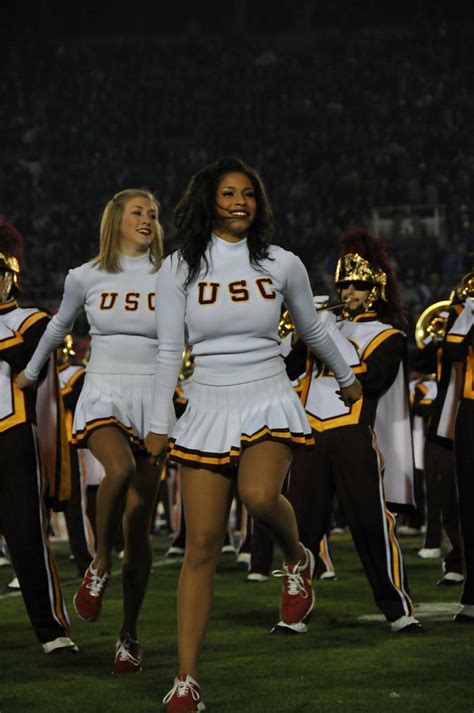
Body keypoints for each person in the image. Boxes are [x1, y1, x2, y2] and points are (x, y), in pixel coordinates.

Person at [145, 157, 361, 712]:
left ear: (258, 202)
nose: (239, 201)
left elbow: (311, 326)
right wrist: (157, 423)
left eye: (248, 193)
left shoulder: (282, 262)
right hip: (207, 401)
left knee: (260, 495)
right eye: (227, 194)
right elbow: (170, 350)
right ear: (208, 202)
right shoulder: (176, 269)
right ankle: (187, 679)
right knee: (201, 544)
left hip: (268, 392)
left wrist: (346, 375)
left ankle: (296, 558)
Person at [16, 188, 172, 673]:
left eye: (152, 213)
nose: (146, 218)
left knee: (140, 525)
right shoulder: (84, 275)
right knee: (118, 469)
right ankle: (100, 562)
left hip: (154, 393)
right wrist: (30, 374)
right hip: (104, 386)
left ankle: (129, 634)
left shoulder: (173, 275)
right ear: (116, 221)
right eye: (136, 212)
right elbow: (58, 327)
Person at [283, 226, 422, 634]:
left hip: (352, 435)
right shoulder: (321, 327)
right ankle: (293, 612)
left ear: (375, 288)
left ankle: (398, 609)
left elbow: (366, 381)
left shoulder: (388, 337)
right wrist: (295, 333)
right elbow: (286, 370)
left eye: (358, 285)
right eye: (344, 285)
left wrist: (321, 330)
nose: (348, 293)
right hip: (309, 436)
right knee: (301, 527)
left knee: (369, 523)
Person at [0, 219, 78, 654]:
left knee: (27, 535)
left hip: (11, 436)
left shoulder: (31, 320)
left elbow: (31, 363)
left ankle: (51, 630)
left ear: (10, 275)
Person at [442, 268, 474, 622]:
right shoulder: (466, 307)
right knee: (470, 500)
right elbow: (451, 350)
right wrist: (468, 315)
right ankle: (473, 589)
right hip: (472, 406)